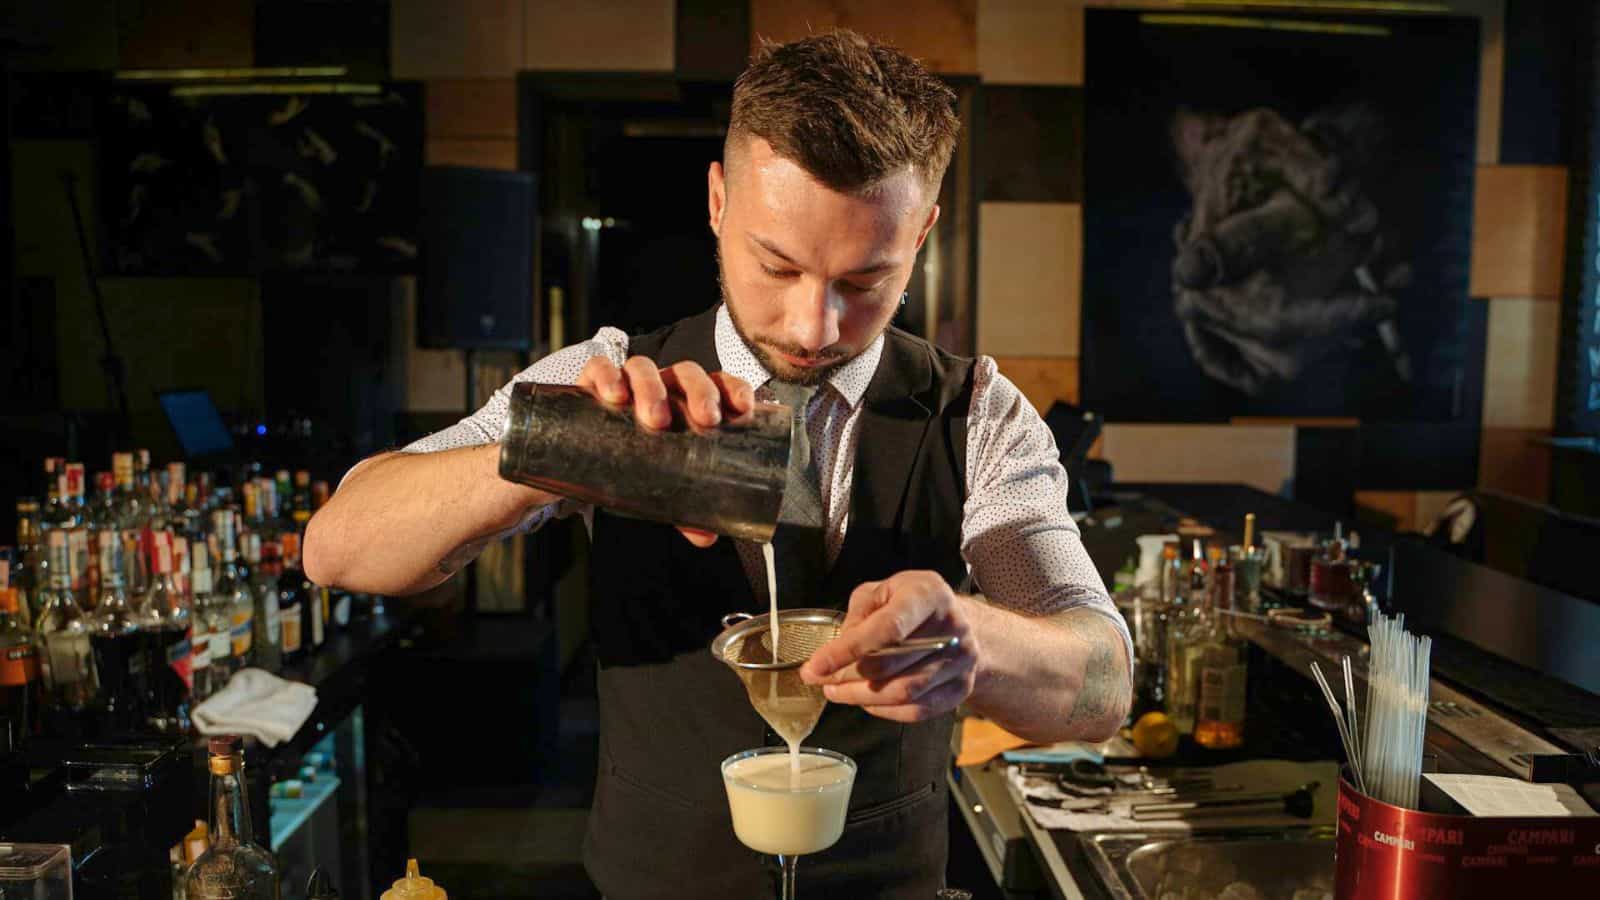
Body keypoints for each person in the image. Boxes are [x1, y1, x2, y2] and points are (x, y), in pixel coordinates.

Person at [305, 30, 1131, 899]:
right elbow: (338, 549)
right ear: (716, 200)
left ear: (921, 232)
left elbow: (1105, 682)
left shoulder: (979, 415)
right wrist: (565, 450)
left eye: (865, 281)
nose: (815, 327)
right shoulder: (609, 375)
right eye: (778, 265)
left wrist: (977, 644)